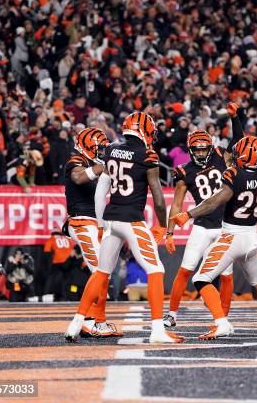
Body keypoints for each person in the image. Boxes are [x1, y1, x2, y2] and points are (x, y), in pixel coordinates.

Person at [171, 135, 257, 340]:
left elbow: (214, 201)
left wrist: (188, 214)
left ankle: (221, 323)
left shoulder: (235, 174)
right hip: (250, 238)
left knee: (200, 279)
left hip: (231, 236)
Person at [65, 112, 185, 344]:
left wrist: (101, 224)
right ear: (145, 131)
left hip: (111, 219)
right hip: (131, 219)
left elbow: (101, 192)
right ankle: (158, 330)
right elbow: (159, 199)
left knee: (101, 272)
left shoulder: (110, 151)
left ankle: (75, 324)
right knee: (156, 270)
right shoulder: (147, 155)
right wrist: (162, 226)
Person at [163, 102, 243, 328]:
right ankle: (172, 314)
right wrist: (169, 232)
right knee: (185, 269)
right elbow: (177, 203)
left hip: (224, 225)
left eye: (203, 149)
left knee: (226, 275)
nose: (200, 153)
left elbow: (237, 144)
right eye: (196, 149)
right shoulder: (185, 171)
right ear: (190, 150)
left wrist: (235, 118)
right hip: (202, 226)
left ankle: (223, 318)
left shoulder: (220, 155)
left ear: (210, 148)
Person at [63, 126, 120, 337]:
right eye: (99, 148)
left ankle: (95, 321)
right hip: (82, 222)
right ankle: (91, 321)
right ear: (87, 147)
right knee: (100, 272)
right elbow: (78, 178)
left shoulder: (95, 164)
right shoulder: (75, 162)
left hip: (95, 222)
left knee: (103, 273)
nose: (102, 152)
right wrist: (101, 166)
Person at [42, 230, 73, 302]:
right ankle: (67, 296)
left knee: (54, 280)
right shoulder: (66, 238)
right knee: (67, 280)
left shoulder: (52, 238)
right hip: (69, 261)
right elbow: (72, 250)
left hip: (58, 261)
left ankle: (53, 295)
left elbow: (47, 251)